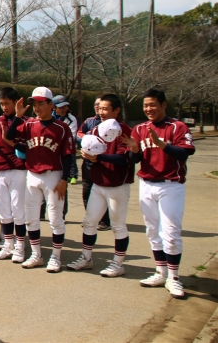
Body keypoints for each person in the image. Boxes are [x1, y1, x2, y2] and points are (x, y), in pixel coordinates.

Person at [122, 88, 195, 299]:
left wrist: (162, 144)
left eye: (152, 104)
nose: (148, 109)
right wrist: (135, 150)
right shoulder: (140, 128)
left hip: (171, 185)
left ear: (163, 105)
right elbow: (135, 159)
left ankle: (174, 277)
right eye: (145, 105)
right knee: (152, 230)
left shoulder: (177, 127)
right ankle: (160, 272)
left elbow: (185, 152)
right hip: (147, 184)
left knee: (170, 233)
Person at [6, 87, 75, 272]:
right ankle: (36, 254)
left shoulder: (62, 127)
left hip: (53, 176)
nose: (37, 108)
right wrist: (18, 116)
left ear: (51, 105)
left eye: (41, 104)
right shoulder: (29, 124)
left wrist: (65, 179)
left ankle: (56, 256)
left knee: (55, 218)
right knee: (31, 218)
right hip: (32, 175)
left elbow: (69, 155)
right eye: (35, 104)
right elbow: (9, 136)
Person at [67, 93, 134, 277]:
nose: (101, 112)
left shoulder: (124, 130)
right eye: (99, 108)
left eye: (105, 109)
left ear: (117, 110)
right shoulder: (96, 129)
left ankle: (118, 264)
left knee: (118, 225)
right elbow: (88, 147)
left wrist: (98, 157)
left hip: (118, 185)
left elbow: (124, 158)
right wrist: (88, 154)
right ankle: (86, 258)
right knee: (89, 222)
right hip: (98, 183)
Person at [0, 87, 28, 263]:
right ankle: (8, 244)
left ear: (16, 103)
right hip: (0, 168)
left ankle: (20, 246)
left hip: (18, 169)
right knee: (4, 210)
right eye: (2, 103)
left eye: (7, 103)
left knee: (18, 209)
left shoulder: (26, 122)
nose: (4, 107)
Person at [78, 95, 110, 230]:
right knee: (87, 191)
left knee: (103, 192)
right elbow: (79, 134)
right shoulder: (89, 121)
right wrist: (88, 140)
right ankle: (90, 218)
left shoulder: (111, 124)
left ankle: (105, 220)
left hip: (103, 164)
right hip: (87, 163)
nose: (98, 108)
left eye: (101, 106)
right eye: (96, 105)